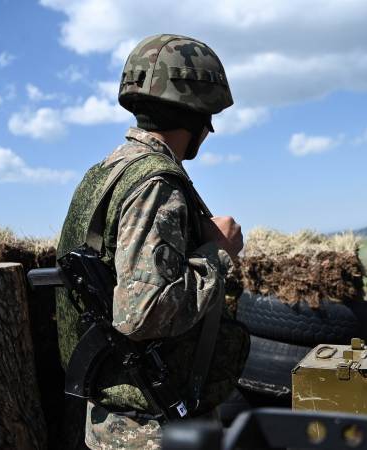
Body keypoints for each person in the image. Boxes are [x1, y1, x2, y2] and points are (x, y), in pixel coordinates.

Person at [55, 34, 249, 449]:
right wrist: (219, 253)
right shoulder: (154, 184)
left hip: (122, 419)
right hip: (156, 427)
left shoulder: (104, 173)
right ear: (196, 112)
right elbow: (143, 314)